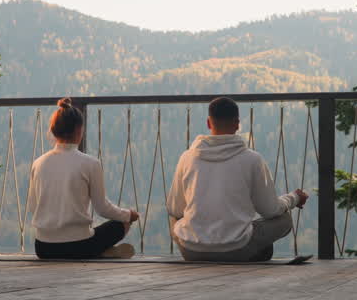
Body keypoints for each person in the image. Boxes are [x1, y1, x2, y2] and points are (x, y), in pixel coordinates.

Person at [166, 97, 309, 262]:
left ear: (208, 123)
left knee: (175, 219)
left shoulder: (187, 157)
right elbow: (270, 210)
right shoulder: (252, 159)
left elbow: (175, 209)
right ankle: (255, 250)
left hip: (192, 251)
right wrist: (294, 198)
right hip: (237, 249)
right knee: (284, 220)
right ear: (237, 123)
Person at [27, 98, 139, 259]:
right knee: (121, 224)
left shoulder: (38, 163)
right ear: (79, 130)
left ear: (53, 130)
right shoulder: (91, 163)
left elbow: (33, 206)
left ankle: (100, 252)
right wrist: (129, 215)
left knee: (96, 233)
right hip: (79, 246)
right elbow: (102, 208)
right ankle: (100, 251)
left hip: (43, 248)